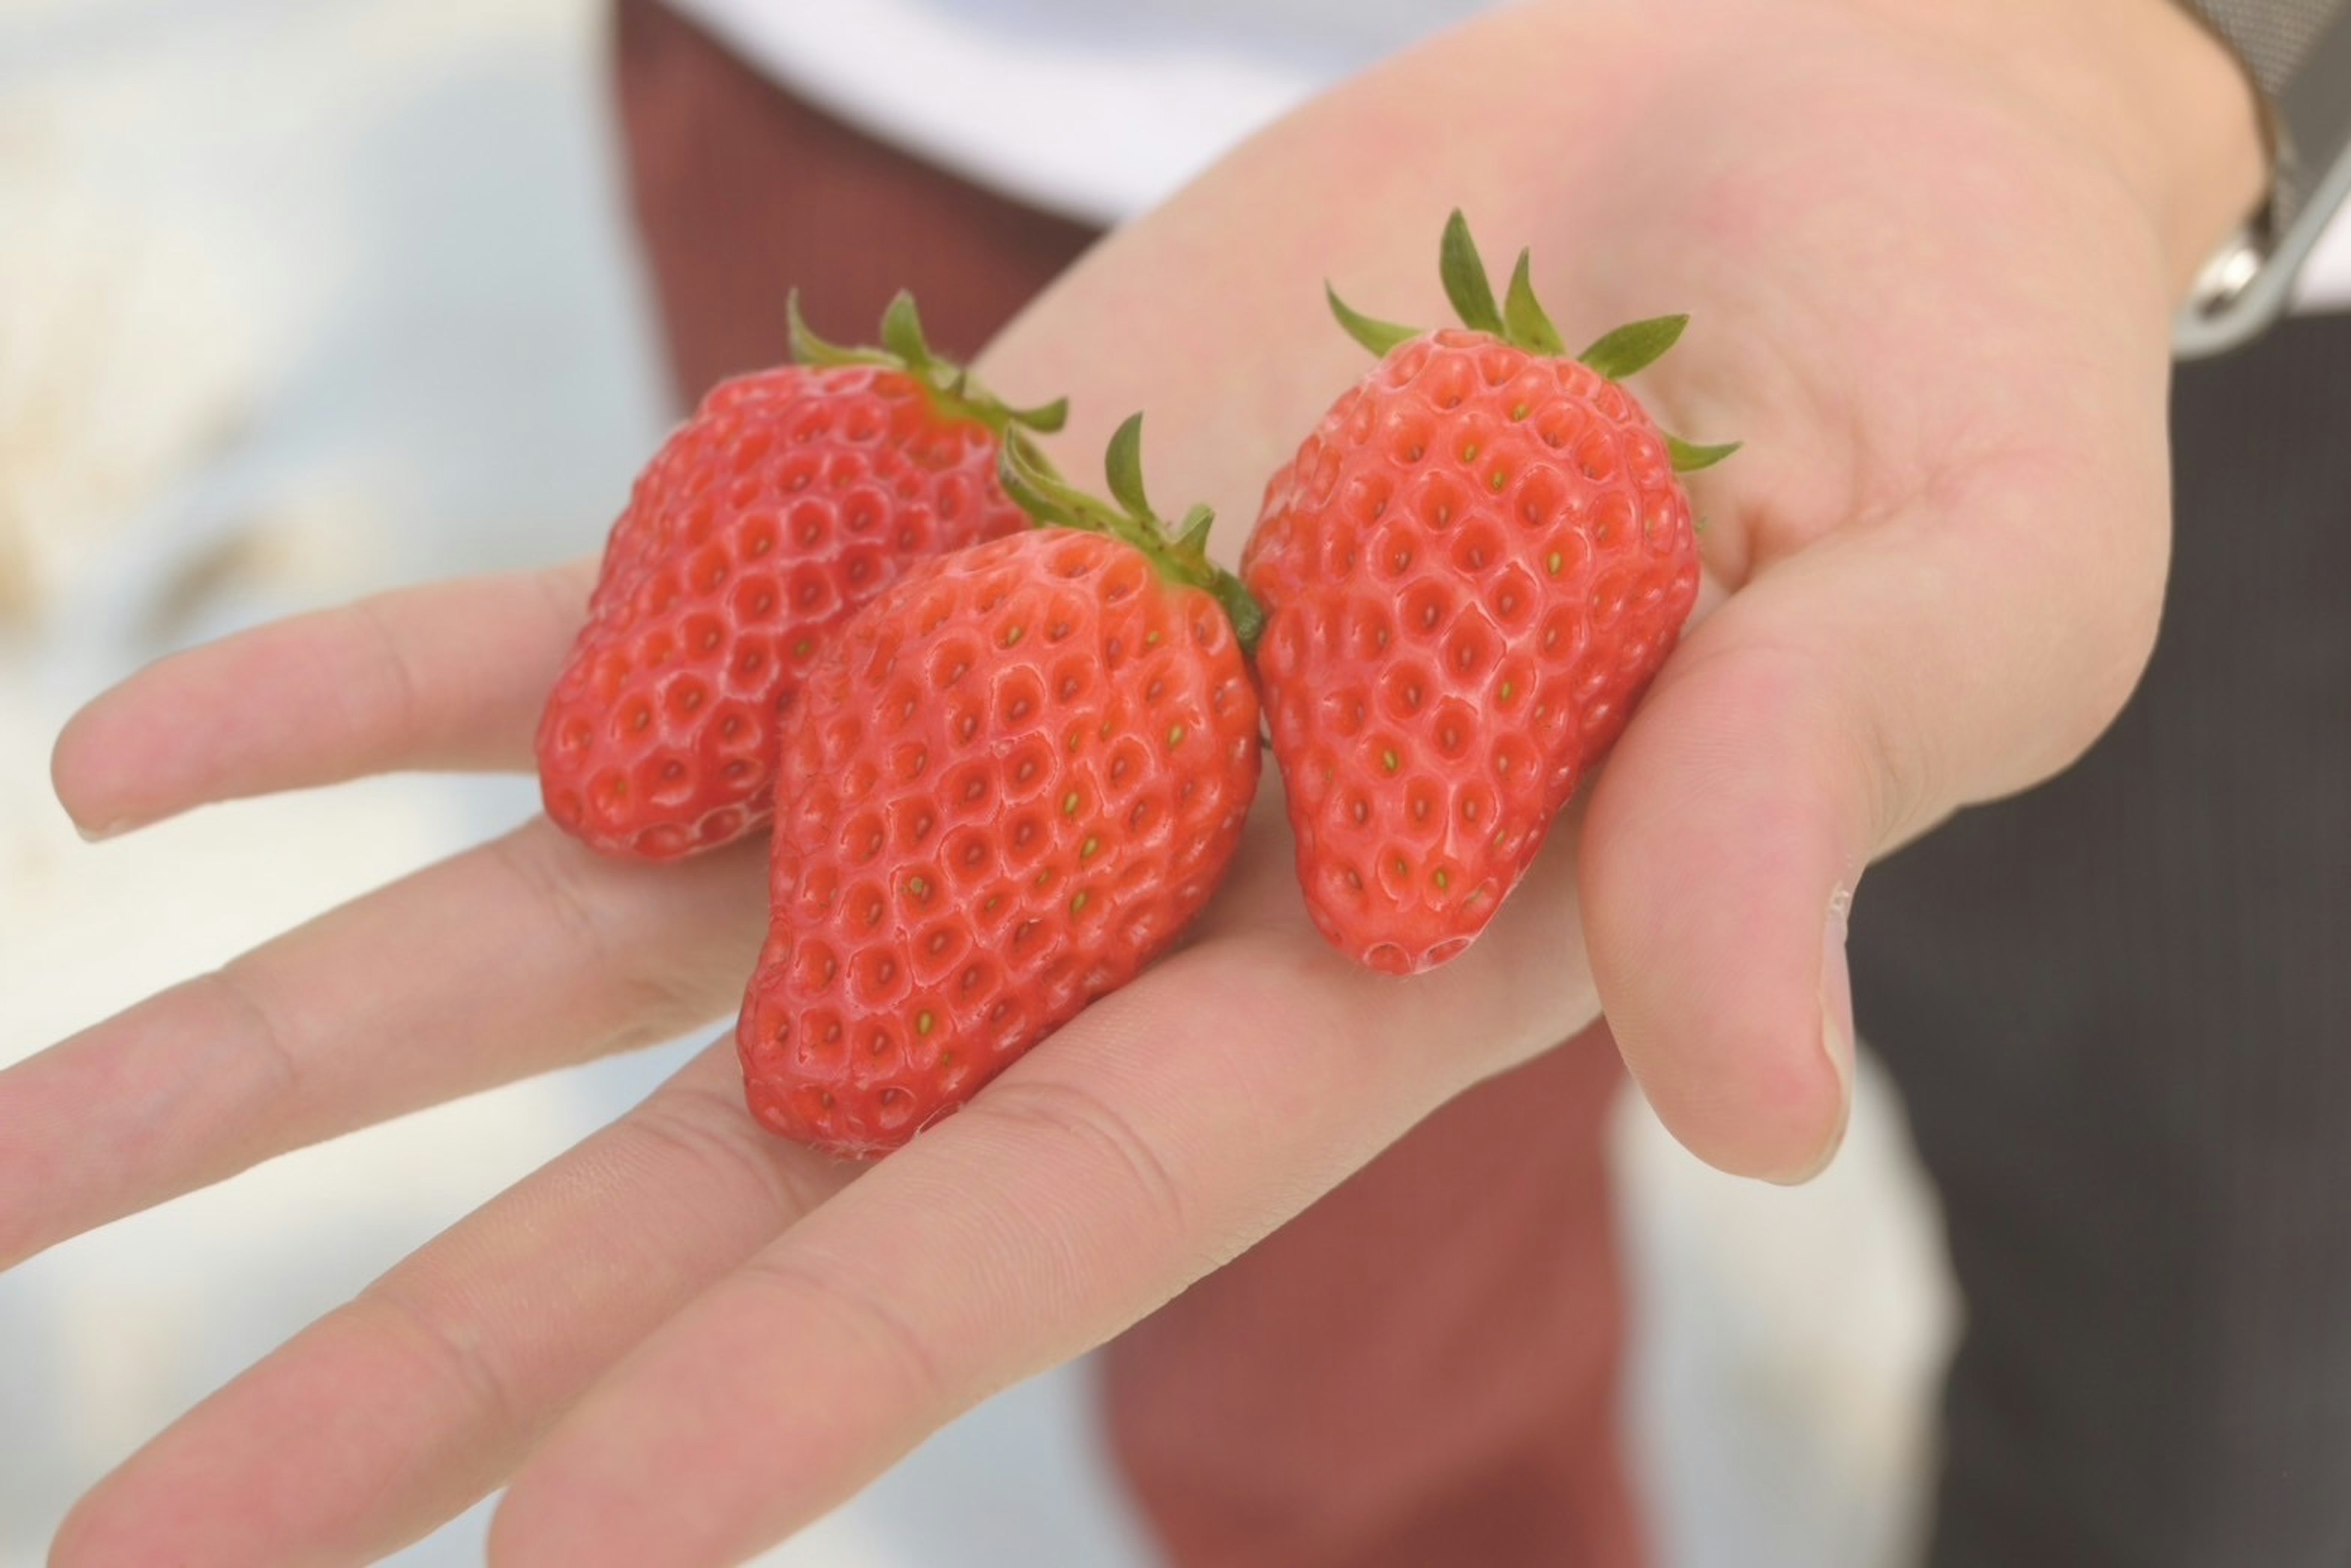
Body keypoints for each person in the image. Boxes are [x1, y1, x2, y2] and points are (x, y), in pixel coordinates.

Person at [9, 0, 2345, 1564]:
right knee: (1319, 1377)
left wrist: (2147, 55)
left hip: (2056, 168)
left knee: (2231, 1281)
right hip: (932, 80)